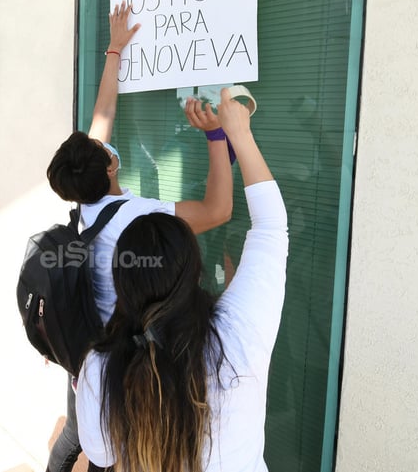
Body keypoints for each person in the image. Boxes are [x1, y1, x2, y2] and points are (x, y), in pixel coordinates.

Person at [44, 2, 234, 472]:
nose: (106, 143)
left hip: (87, 352)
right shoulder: (138, 217)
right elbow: (218, 210)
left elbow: (103, 112)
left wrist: (115, 48)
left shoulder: (84, 199)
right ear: (109, 164)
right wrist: (216, 137)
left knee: (78, 434)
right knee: (115, 450)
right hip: (126, 358)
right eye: (104, 149)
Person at [75, 95, 288, 472]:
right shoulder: (237, 334)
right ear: (194, 268)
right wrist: (233, 133)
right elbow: (270, 225)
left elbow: (102, 454)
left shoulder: (101, 365)